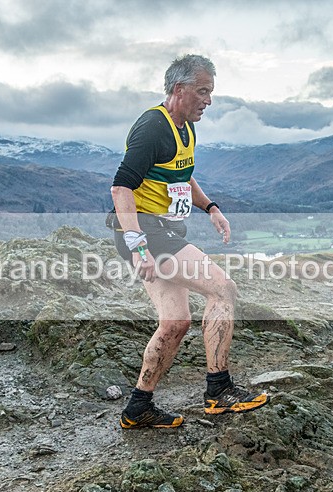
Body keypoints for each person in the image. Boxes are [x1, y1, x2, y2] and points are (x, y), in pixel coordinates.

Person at [110, 54, 269, 429]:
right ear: (179, 89)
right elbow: (121, 188)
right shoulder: (154, 127)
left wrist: (210, 207)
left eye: (210, 92)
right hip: (148, 234)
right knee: (223, 289)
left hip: (159, 234)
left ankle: (138, 408)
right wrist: (139, 246)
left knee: (175, 323)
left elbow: (181, 176)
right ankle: (219, 391)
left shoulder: (185, 128)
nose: (208, 100)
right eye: (203, 91)